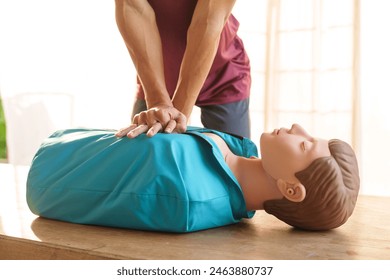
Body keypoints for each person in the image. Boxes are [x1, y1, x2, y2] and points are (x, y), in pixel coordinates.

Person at [26, 124, 360, 232]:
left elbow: (59, 192)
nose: (297, 128)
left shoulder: (189, 198)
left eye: (304, 145)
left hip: (46, 171)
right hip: (63, 138)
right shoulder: (236, 146)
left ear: (291, 189)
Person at [114, 0, 251, 139]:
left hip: (222, 75)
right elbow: (130, 6)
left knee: (232, 156)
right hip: (158, 75)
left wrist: (176, 117)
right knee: (145, 152)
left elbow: (208, 20)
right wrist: (157, 102)